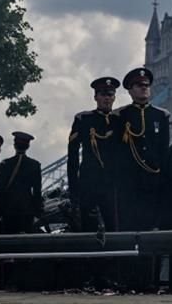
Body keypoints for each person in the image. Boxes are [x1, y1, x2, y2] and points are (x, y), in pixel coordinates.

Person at [115, 67, 170, 232]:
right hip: (129, 182)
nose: (144, 88)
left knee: (152, 228)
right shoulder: (120, 116)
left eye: (146, 85)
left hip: (153, 181)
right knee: (129, 227)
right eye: (139, 85)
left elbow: (164, 151)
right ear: (130, 91)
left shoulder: (161, 116)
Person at [67, 77, 122, 232]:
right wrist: (74, 189)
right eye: (103, 94)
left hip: (113, 184)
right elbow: (72, 156)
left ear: (114, 97)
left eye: (110, 95)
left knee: (114, 228)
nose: (107, 98)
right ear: (95, 97)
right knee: (88, 229)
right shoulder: (83, 119)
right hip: (89, 182)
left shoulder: (120, 120)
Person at [0, 132, 42, 234]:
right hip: (27, 210)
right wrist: (37, 212)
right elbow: (37, 191)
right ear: (28, 146)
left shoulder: (5, 164)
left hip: (8, 209)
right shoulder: (35, 165)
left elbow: (0, 189)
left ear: (14, 145)